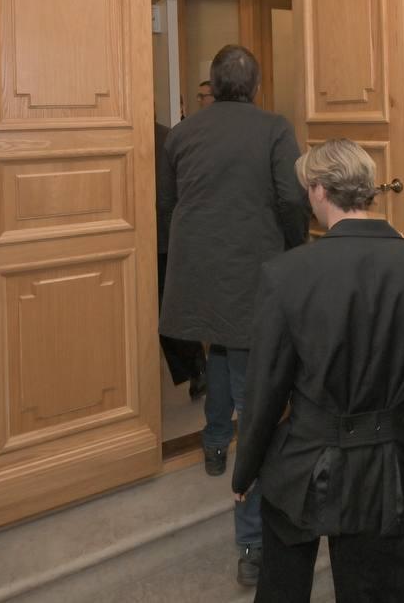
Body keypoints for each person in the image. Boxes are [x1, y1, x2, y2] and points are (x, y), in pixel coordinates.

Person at [233, 139, 404, 603]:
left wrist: (247, 470)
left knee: (281, 589)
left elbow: (265, 387)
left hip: (302, 459)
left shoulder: (286, 273)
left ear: (319, 190)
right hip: (386, 466)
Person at [158, 44, 309, 586]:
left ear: (213, 84)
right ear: (256, 86)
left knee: (219, 349)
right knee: (257, 400)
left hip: (199, 270)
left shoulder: (181, 134)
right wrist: (293, 247)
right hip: (251, 270)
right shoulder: (273, 128)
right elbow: (292, 199)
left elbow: (166, 203)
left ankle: (214, 442)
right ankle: (251, 542)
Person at [154, 121, 205, 399]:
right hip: (154, 238)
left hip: (163, 239)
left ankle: (197, 369)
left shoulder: (168, 137)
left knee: (169, 310)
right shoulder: (168, 136)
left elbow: (172, 196)